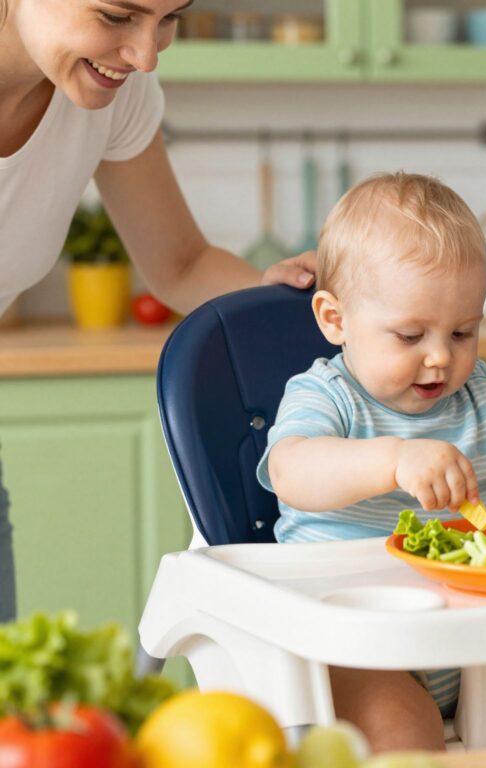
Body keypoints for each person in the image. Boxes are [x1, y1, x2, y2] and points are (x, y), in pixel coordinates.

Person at [256, 172, 486, 752]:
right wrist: (393, 459)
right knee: (401, 725)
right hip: (364, 641)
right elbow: (292, 470)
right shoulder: (326, 396)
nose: (440, 357)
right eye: (409, 335)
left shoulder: (475, 395)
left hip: (479, 627)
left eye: (462, 331)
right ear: (335, 320)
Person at [0, 0, 316, 621]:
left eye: (170, 18)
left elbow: (179, 264)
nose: (146, 55)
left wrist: (286, 297)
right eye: (118, 16)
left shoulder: (112, 91)